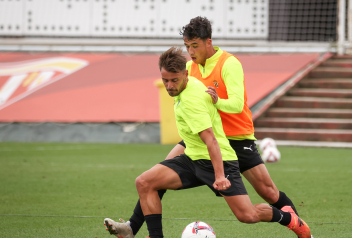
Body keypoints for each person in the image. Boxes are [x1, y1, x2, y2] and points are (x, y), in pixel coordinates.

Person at [104, 17, 311, 238]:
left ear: (208, 42)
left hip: (236, 137)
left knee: (268, 192)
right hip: (203, 136)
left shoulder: (229, 63)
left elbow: (237, 104)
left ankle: (299, 226)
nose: (191, 51)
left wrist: (216, 101)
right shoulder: (188, 69)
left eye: (195, 45)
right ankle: (132, 227)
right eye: (187, 46)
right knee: (159, 172)